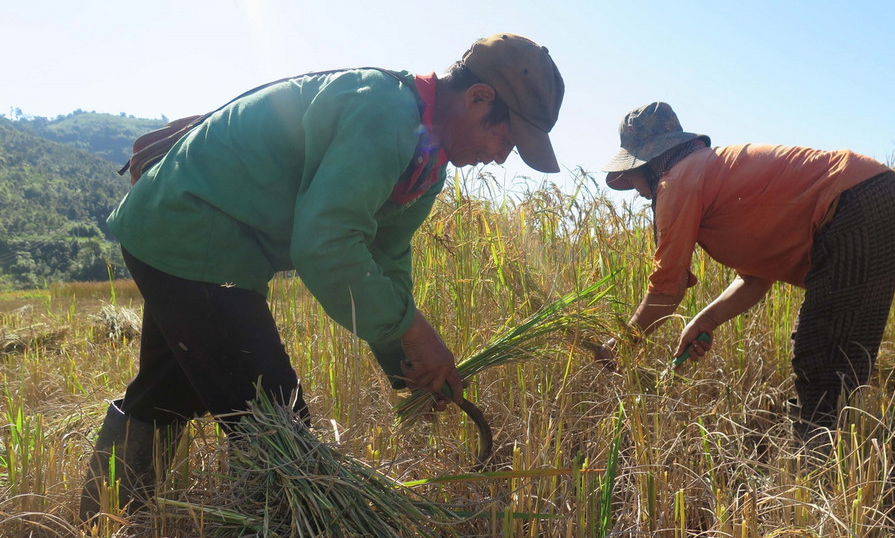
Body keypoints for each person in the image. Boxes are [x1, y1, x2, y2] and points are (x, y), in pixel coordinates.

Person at [80, 33, 564, 520]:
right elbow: (326, 245)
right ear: (479, 98)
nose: (502, 157)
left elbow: (385, 254)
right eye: (506, 139)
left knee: (166, 392)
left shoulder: (428, 163)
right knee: (277, 429)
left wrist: (410, 364)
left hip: (193, 236)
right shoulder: (384, 113)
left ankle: (103, 522)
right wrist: (416, 330)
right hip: (188, 229)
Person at [601, 102, 895, 439]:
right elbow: (755, 278)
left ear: (648, 162)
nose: (632, 186)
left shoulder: (677, 181)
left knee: (822, 352)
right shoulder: (708, 173)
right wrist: (705, 320)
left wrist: (620, 346)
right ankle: (841, 456)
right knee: (845, 348)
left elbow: (667, 290)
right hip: (880, 196)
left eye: (631, 171)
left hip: (857, 201)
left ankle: (815, 465)